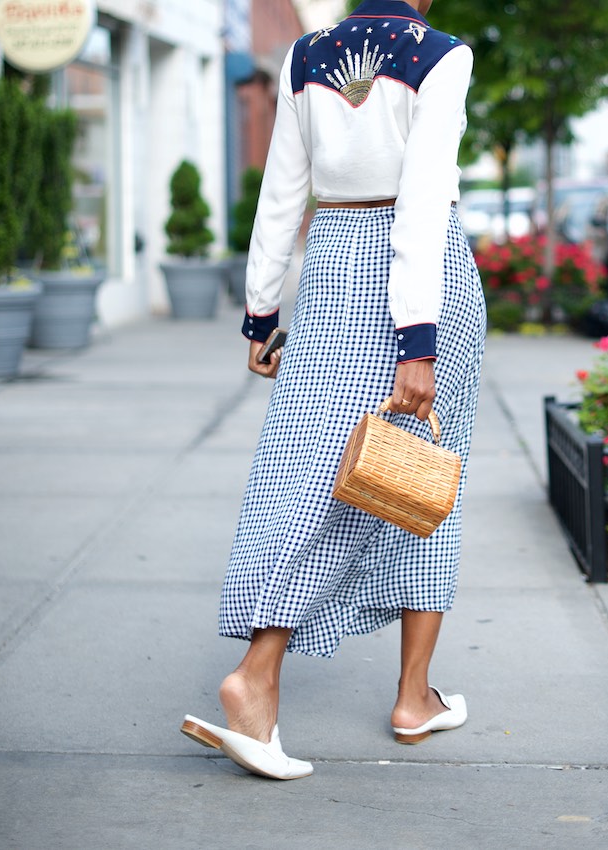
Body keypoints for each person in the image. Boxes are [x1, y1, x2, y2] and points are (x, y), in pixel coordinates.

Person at [180, 0, 486, 780]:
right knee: (407, 476)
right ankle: (268, 677)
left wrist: (260, 314)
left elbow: (282, 193)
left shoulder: (308, 54)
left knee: (321, 467)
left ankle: (403, 695)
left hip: (332, 265)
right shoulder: (441, 55)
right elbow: (421, 199)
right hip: (419, 276)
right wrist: (417, 340)